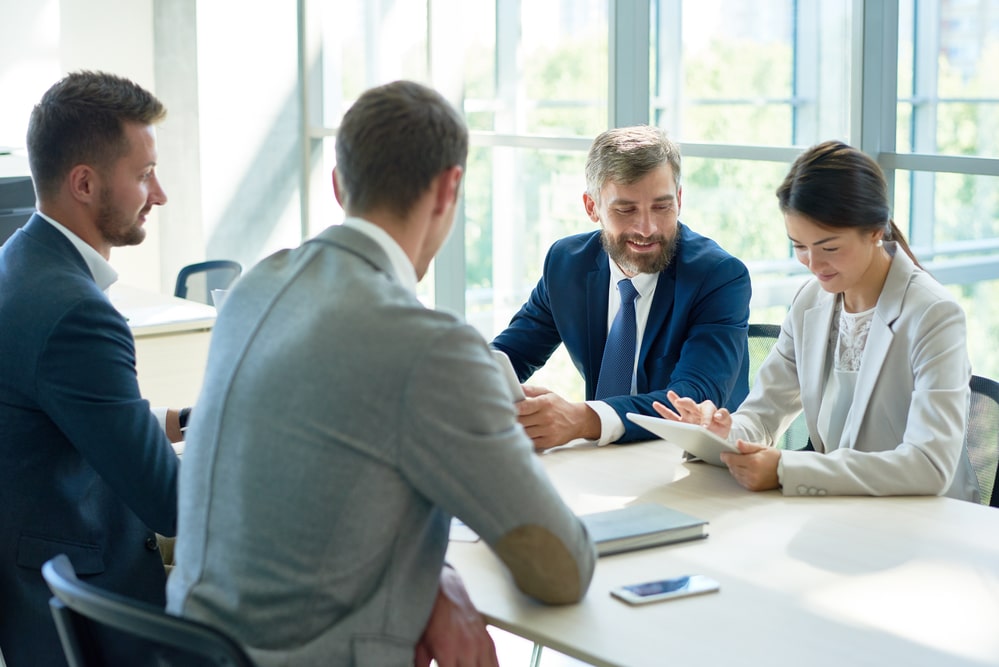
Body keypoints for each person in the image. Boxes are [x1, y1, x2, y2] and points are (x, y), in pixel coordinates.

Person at [167, 80, 596, 666]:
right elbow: (561, 568)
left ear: (339, 183)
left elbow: (307, 493)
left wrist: (433, 574)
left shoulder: (253, 289)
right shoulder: (431, 349)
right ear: (450, 188)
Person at [658, 140, 980, 501]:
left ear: (875, 230)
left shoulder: (934, 313)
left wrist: (784, 469)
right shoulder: (810, 301)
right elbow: (763, 416)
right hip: (841, 509)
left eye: (829, 248)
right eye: (798, 246)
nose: (813, 263)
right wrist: (718, 432)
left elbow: (929, 465)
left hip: (927, 520)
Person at [0, 71, 184, 667]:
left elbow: (70, 424)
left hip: (35, 601)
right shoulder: (76, 311)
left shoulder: (18, 261)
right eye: (143, 174)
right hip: (98, 616)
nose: (158, 195)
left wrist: (186, 420)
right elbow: (171, 503)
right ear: (84, 183)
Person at [492, 125, 752, 450]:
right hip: (604, 460)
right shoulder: (567, 264)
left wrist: (581, 419)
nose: (647, 228)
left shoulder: (718, 276)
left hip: (691, 464)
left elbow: (693, 399)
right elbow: (511, 355)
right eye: (625, 209)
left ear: (680, 199)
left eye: (662, 206)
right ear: (592, 207)